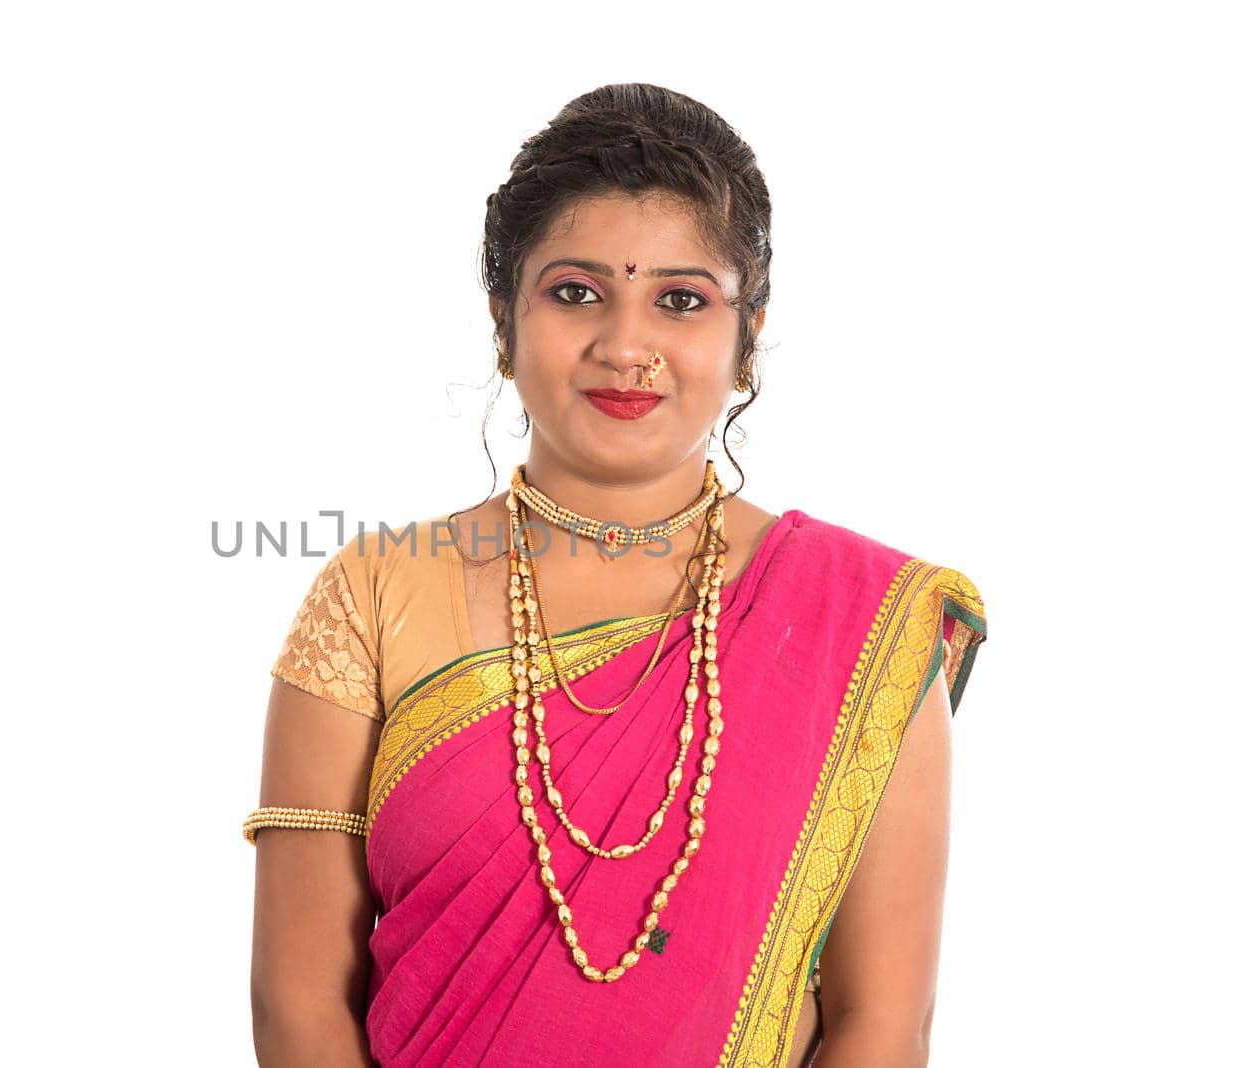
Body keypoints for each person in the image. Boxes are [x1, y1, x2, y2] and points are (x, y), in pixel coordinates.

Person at [245, 83, 987, 1068]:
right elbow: (297, 1007)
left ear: (746, 332)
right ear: (504, 321)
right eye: (575, 292)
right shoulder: (373, 596)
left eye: (678, 299)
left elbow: (882, 1026)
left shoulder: (867, 623)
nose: (624, 346)